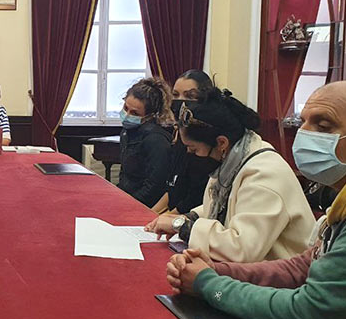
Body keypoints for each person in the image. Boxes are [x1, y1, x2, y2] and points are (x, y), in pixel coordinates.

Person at [166, 80, 346, 319]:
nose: (304, 134)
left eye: (323, 126)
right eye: (303, 122)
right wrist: (217, 271)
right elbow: (300, 268)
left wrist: (209, 284)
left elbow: (313, 315)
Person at [146, 87, 314, 262]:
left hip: (279, 279)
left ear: (221, 142)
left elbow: (242, 249)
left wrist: (180, 226)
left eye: (193, 149)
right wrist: (188, 217)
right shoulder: (232, 158)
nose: (190, 155)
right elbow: (222, 205)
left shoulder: (265, 175)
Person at [151, 70, 216, 214]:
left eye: (189, 96)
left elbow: (196, 194)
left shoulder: (206, 139)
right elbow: (175, 185)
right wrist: (151, 214)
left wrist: (170, 217)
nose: (180, 101)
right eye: (175, 95)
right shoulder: (180, 135)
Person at [116, 77, 174, 207]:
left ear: (149, 115)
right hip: (127, 197)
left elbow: (155, 185)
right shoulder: (126, 132)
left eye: (135, 113)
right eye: (126, 108)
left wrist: (130, 205)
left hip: (146, 205)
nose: (127, 114)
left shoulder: (156, 140)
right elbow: (125, 174)